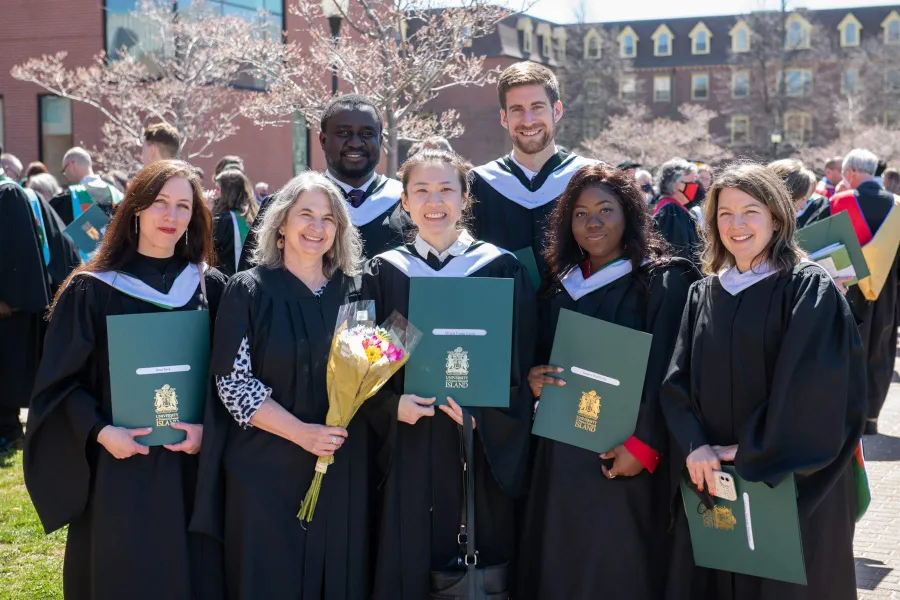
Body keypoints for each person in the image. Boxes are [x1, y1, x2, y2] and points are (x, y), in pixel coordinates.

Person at [23, 160, 228, 600]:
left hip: (191, 462)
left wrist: (208, 430)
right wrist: (100, 432)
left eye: (183, 206)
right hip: (120, 466)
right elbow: (60, 385)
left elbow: (230, 377)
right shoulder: (92, 289)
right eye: (159, 203)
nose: (171, 217)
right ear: (134, 208)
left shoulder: (211, 288)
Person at [661, 163, 865, 600]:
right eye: (724, 213)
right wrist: (695, 445)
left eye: (750, 211)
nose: (737, 225)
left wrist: (749, 449)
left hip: (790, 481)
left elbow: (817, 390)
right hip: (713, 476)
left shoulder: (808, 288)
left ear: (776, 215)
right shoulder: (705, 292)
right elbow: (676, 380)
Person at [517, 165, 698, 600]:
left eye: (605, 210)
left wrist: (645, 445)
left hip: (621, 455)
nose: (592, 222)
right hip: (559, 456)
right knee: (559, 560)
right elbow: (541, 353)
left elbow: (670, 373)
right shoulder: (559, 286)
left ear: (630, 215)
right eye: (579, 213)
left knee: (615, 565)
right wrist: (531, 378)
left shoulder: (661, 281)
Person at [363, 149, 536, 600]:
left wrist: (489, 416)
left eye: (446, 189)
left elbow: (520, 359)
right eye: (421, 190)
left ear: (465, 199)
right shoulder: (383, 273)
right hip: (411, 441)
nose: (433, 200)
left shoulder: (499, 268)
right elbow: (367, 361)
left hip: (477, 443)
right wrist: (388, 406)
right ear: (403, 201)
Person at [192, 172, 371, 599]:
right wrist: (303, 434)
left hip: (338, 465)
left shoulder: (355, 290)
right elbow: (234, 385)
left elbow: (365, 370)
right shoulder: (248, 289)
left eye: (329, 218)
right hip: (265, 468)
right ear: (282, 223)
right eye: (305, 214)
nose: (317, 227)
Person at [238, 94, 412, 270]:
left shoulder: (410, 205)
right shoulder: (284, 206)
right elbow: (252, 282)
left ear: (380, 141)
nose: (355, 143)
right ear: (323, 140)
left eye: (367, 134)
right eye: (343, 133)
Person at [801, 149, 900, 434]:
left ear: (852, 172)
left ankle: (846, 414)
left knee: (845, 347)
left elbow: (816, 247)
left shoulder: (838, 202)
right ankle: (870, 418)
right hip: (885, 293)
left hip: (846, 288)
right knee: (880, 350)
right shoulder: (897, 207)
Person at [470, 62, 595, 284]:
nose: (528, 121)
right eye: (517, 109)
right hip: (502, 315)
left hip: (576, 315)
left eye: (537, 107)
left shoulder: (592, 179)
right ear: (504, 118)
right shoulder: (477, 186)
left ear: (556, 111)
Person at [0, 149, 52, 450]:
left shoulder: (9, 194)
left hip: (11, 303)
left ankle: (10, 433)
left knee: (9, 369)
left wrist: (11, 300)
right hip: (15, 299)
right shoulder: (20, 193)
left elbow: (16, 250)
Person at [50, 147, 125, 225]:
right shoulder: (117, 195)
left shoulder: (70, 198)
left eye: (64, 170)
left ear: (71, 165)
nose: (65, 175)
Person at [653, 158, 702, 269]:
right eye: (690, 183)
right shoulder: (671, 212)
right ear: (674, 184)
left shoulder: (669, 207)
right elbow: (680, 255)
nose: (694, 186)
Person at [212, 169, 259, 276]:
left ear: (228, 192)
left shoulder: (222, 220)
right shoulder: (253, 217)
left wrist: (206, 213)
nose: (214, 193)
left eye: (218, 189)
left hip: (227, 281)